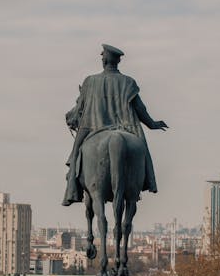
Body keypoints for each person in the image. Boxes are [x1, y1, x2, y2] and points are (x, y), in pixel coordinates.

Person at [62, 44, 168, 206]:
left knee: (76, 153)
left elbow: (80, 108)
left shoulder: (90, 81)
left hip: (92, 126)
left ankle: (72, 189)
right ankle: (149, 179)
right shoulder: (128, 82)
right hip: (127, 127)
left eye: (102, 55)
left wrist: (71, 117)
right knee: (143, 151)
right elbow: (140, 108)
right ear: (117, 61)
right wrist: (152, 124)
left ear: (104, 60)